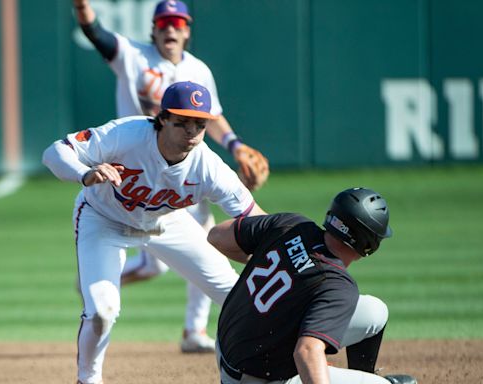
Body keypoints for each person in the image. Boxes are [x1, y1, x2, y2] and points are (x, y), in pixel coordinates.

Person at [72, 0, 270, 352]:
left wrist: (236, 145)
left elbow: (213, 116)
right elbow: (96, 33)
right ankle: (98, 277)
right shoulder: (133, 55)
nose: (171, 29)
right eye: (164, 23)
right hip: (135, 169)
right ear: (154, 29)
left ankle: (194, 331)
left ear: (188, 31)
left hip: (182, 174)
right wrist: (82, 6)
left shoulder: (198, 70)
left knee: (208, 245)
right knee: (154, 268)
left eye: (178, 23)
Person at [42, 81, 266, 384]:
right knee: (102, 311)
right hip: (103, 219)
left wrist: (299, 244)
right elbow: (54, 153)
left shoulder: (209, 167)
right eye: (182, 122)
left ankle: (259, 372)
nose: (191, 132)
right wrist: (84, 173)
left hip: (168, 222)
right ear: (162, 120)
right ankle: (88, 379)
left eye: (199, 124)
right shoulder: (127, 134)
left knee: (237, 297)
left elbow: (257, 219)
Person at [207, 187, 417, 384]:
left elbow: (216, 236)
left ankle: (362, 375)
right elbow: (306, 352)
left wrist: (278, 261)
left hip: (227, 345)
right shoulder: (339, 287)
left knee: (375, 311)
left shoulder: (291, 224)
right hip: (258, 379)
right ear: (369, 244)